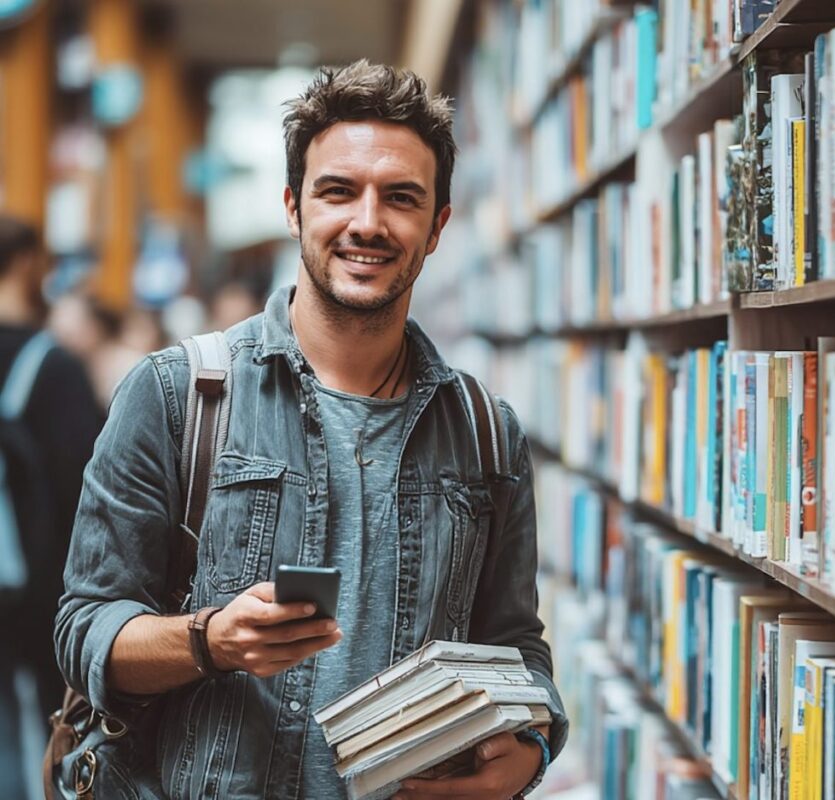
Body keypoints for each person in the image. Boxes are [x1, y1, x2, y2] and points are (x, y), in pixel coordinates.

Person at [56, 61, 567, 799]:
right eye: (338, 191)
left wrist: (531, 746)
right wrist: (210, 640)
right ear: (294, 208)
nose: (367, 222)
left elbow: (516, 647)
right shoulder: (177, 395)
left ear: (438, 227)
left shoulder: (487, 434)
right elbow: (85, 630)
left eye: (401, 198)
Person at [0, 216, 101, 798]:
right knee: (42, 735)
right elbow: (85, 496)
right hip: (39, 601)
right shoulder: (52, 369)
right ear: (25, 264)